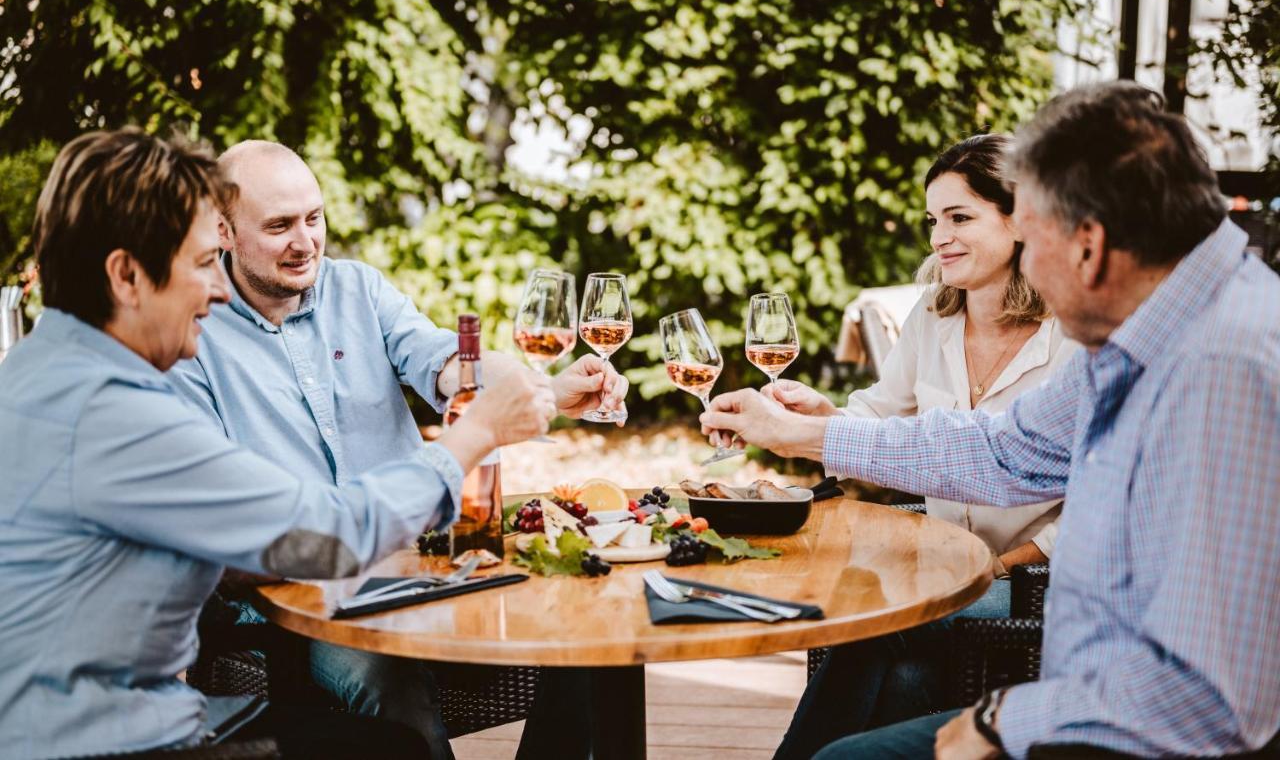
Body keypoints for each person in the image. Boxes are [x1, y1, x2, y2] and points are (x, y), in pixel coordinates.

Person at [701, 82, 1280, 758]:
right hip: (1085, 700)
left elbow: (1213, 699)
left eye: (1030, 241)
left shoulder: (1229, 367)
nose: (1027, 268)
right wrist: (808, 433)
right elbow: (1004, 451)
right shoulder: (1147, 333)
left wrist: (1002, 720)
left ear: (1087, 246)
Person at [0, 129, 557, 759]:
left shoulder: (41, 370)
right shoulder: (118, 411)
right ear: (127, 275)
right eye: (202, 263)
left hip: (69, 719)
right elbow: (328, 535)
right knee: (393, 746)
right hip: (107, 740)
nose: (217, 290)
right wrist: (476, 434)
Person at [167, 139, 627, 758]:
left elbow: (443, 362)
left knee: (586, 628)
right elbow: (219, 521)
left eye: (314, 217)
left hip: (424, 563)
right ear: (223, 230)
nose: (305, 242)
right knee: (391, 680)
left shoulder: (357, 289)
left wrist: (533, 390)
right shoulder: (194, 332)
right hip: (302, 596)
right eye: (279, 226)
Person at [770, 134, 1079, 759]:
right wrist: (823, 415)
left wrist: (1004, 562)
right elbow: (881, 415)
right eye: (933, 220)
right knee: (905, 677)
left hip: (1033, 582)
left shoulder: (1075, 336)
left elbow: (1096, 506)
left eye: (961, 217)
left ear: (1022, 219)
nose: (940, 237)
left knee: (869, 618)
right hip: (940, 572)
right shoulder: (932, 318)